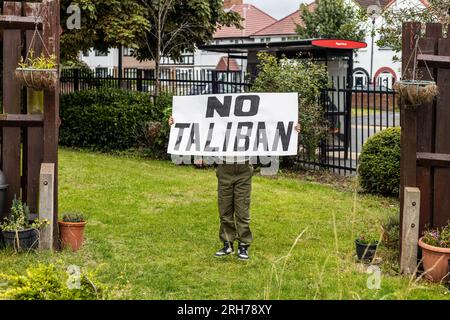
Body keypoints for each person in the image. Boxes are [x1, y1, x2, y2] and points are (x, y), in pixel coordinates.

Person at [169, 116, 300, 260]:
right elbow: (201, 125)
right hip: (224, 168)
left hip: (244, 170)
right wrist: (176, 125)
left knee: (242, 210)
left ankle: (244, 244)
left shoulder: (250, 119)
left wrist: (292, 129)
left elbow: (269, 126)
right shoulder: (221, 119)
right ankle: (227, 244)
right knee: (224, 210)